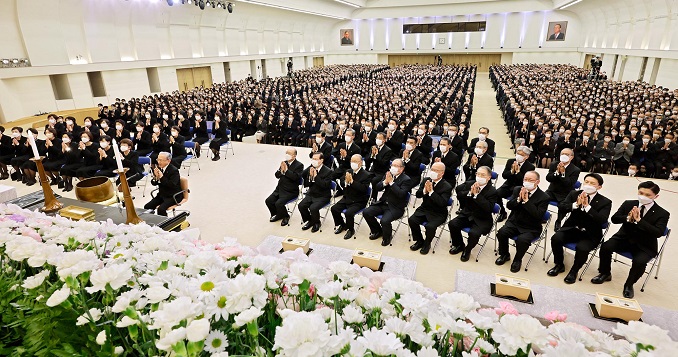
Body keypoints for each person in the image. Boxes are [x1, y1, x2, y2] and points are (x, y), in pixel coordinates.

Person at [591, 181, 670, 298]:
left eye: (648, 195)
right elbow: (615, 219)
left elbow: (658, 232)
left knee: (640, 262)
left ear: (656, 196)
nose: (643, 196)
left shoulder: (662, 213)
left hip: (645, 244)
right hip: (624, 238)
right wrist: (628, 218)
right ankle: (605, 272)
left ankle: (629, 284)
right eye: (641, 193)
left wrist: (639, 220)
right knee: (606, 246)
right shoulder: (629, 204)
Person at [547, 173, 612, 284]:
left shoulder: (605, 202)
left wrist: (587, 207)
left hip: (590, 234)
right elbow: (562, 206)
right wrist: (574, 205)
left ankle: (574, 270)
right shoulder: (574, 194)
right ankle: (559, 264)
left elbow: (602, 220)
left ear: (599, 187)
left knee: (582, 248)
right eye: (586, 182)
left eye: (592, 183)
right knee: (556, 238)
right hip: (572, 228)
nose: (588, 185)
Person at [495, 171, 550, 273]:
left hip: (531, 227)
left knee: (522, 240)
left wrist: (526, 202)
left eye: (530, 180)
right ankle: (504, 254)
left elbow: (538, 215)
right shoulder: (517, 189)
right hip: (515, 222)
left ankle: (517, 259)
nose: (527, 182)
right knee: (501, 233)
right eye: (525, 179)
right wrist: (518, 199)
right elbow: (509, 206)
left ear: (537, 182)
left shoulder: (544, 197)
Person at [448, 166, 498, 261]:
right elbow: (460, 195)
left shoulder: (492, 191)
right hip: (467, 214)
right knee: (452, 224)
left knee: (474, 233)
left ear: (489, 177)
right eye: (478, 174)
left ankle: (468, 249)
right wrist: (470, 193)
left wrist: (477, 195)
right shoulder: (471, 183)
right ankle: (459, 245)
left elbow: (488, 208)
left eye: (482, 175)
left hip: (482, 218)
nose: (479, 176)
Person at [363, 159, 412, 247]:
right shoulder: (388, 174)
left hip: (396, 207)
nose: (393, 168)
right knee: (366, 212)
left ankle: (387, 237)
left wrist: (391, 183)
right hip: (383, 203)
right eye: (392, 165)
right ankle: (377, 231)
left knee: (384, 221)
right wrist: (385, 182)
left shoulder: (406, 180)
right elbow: (377, 187)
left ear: (402, 169)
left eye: (396, 166)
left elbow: (401, 194)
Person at [408, 162, 453, 255]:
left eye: (436, 170)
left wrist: (431, 192)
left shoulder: (447, 186)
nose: (433, 172)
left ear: (442, 173)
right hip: (425, 208)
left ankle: (427, 243)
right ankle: (419, 240)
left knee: (430, 226)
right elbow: (418, 195)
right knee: (412, 220)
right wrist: (424, 190)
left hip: (438, 212)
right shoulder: (426, 180)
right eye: (432, 169)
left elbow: (442, 203)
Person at [331, 154, 372, 239]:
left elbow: (363, 189)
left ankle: (351, 229)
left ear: (360, 163)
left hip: (359, 200)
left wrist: (352, 182)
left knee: (348, 213)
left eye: (355, 161)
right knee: (334, 209)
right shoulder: (349, 171)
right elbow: (341, 181)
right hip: (347, 197)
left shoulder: (366, 175)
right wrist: (346, 182)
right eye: (351, 161)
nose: (352, 163)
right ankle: (342, 224)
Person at [266, 148, 304, 226]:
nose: (287, 155)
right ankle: (277, 214)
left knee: (278, 203)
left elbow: (296, 177)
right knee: (269, 201)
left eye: (289, 153)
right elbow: (277, 175)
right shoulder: (284, 163)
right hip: (280, 188)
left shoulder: (299, 165)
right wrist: (281, 171)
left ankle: (286, 216)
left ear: (294, 156)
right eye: (286, 153)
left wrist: (286, 171)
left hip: (290, 191)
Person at [545, 148, 581, 231]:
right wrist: (557, 172)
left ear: (571, 157)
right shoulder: (554, 164)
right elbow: (548, 178)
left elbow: (569, 183)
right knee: (540, 198)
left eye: (567, 154)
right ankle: (541, 216)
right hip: (552, 191)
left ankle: (558, 221)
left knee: (563, 205)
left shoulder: (576, 170)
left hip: (565, 193)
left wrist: (563, 174)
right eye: (562, 154)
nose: (564, 156)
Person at [497, 146, 535, 222]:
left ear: (526, 157)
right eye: (518, 153)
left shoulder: (530, 167)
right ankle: (502, 212)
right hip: (509, 185)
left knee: (514, 200)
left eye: (521, 155)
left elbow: (524, 181)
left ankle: (513, 216)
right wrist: (511, 172)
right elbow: (504, 175)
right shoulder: (510, 161)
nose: (518, 156)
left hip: (520, 187)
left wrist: (518, 172)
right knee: (496, 193)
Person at [298, 153, 333, 233]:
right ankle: (310, 220)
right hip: (311, 193)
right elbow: (306, 183)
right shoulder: (310, 168)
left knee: (313, 208)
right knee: (301, 206)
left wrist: (316, 177)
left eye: (316, 159)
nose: (313, 161)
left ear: (321, 160)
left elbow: (325, 185)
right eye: (312, 159)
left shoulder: (328, 171)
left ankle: (317, 222)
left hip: (323, 196)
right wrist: (310, 177)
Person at [144, 152, 182, 216]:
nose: (159, 162)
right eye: (158, 160)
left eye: (161, 160)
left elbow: (171, 185)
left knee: (161, 209)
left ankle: (165, 224)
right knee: (147, 207)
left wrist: (161, 177)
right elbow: (154, 183)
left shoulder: (174, 170)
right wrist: (156, 178)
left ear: (168, 161)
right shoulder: (159, 168)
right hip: (162, 195)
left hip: (173, 196)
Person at [366, 132, 394, 200]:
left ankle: (373, 198)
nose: (377, 140)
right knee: (364, 177)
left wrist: (376, 155)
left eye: (380, 138)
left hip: (382, 171)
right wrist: (372, 155)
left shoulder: (388, 150)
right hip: (374, 169)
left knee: (374, 181)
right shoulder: (373, 147)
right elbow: (368, 160)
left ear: (384, 140)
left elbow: (383, 163)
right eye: (377, 138)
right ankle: (365, 195)